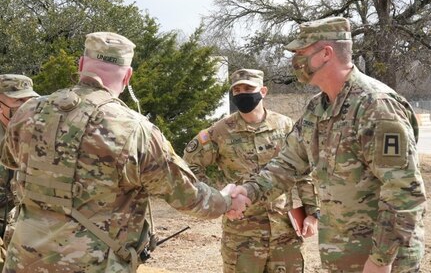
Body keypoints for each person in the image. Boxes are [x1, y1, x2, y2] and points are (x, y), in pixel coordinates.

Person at [0, 32, 250, 273]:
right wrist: (227, 200)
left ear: (81, 65)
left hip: (23, 260)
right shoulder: (134, 129)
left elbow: (11, 160)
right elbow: (189, 196)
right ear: (128, 76)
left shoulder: (28, 112)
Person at [230, 17, 427, 273]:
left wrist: (381, 260)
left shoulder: (375, 107)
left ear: (326, 53)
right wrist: (248, 191)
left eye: (301, 53)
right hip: (343, 256)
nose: (295, 61)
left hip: (383, 263)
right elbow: (288, 164)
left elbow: (404, 192)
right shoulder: (317, 108)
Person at [183, 68, 320, 273]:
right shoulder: (219, 131)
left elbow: (304, 169)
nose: (242, 93)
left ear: (263, 91)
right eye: (237, 90)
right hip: (241, 235)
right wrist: (219, 199)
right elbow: (189, 166)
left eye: (248, 88)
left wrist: (312, 212)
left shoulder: (285, 126)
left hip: (284, 232)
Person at [0, 74, 39, 269]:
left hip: (24, 224)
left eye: (29, 100)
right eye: (18, 100)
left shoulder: (42, 132)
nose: (26, 106)